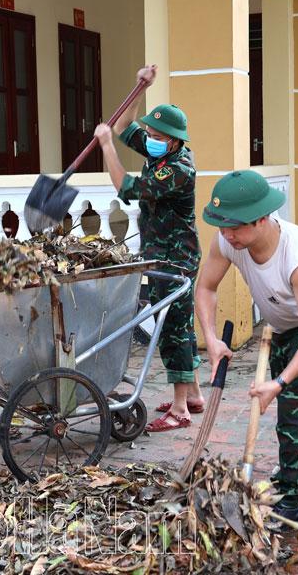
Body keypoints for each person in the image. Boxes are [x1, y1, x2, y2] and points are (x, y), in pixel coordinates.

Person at [194, 169, 298, 528]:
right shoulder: (226, 242)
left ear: (263, 218)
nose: (227, 235)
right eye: (221, 226)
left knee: (293, 400)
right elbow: (205, 288)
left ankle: (291, 500)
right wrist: (213, 339)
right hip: (285, 325)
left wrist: (278, 382)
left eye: (235, 227)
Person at [93, 65, 203, 433]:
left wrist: (107, 146)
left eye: (157, 136)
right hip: (162, 254)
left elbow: (126, 189)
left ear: (173, 140)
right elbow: (126, 125)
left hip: (177, 259)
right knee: (179, 325)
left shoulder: (177, 169)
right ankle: (194, 395)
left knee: (173, 329)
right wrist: (141, 87)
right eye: (151, 134)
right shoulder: (160, 152)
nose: (150, 139)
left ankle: (180, 409)